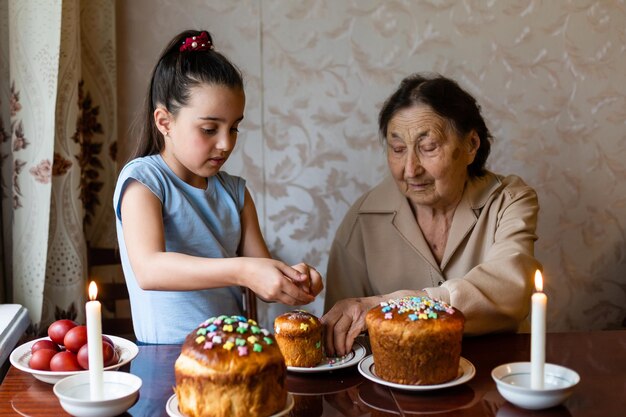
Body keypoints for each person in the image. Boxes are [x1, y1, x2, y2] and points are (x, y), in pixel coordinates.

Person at [113, 30, 323, 344]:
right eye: (210, 129)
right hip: (166, 354)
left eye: (234, 127)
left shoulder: (236, 193)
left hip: (234, 351)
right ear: (164, 121)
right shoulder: (145, 180)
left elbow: (259, 275)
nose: (226, 144)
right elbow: (149, 269)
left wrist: (292, 278)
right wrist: (242, 271)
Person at [322, 73, 541, 356]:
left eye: (428, 148)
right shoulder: (363, 218)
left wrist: (397, 305)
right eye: (398, 149)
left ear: (471, 145)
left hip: (495, 375)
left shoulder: (509, 200)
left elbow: (512, 289)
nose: (411, 169)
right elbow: (340, 331)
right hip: (396, 385)